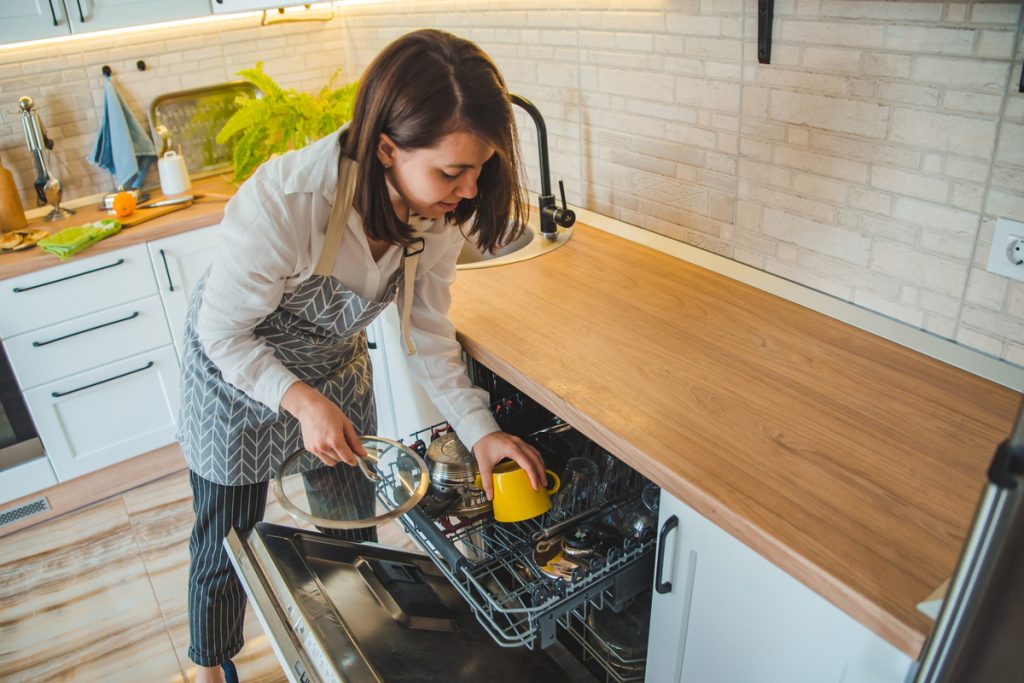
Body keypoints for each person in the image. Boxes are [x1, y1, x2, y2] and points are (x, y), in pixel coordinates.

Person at [177, 29, 547, 683]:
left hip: (334, 373)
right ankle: (211, 668)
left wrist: (482, 432)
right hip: (235, 377)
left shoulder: (437, 212)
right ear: (386, 147)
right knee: (227, 539)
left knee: (349, 535)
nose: (466, 190)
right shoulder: (287, 204)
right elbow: (224, 333)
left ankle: (353, 660)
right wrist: (297, 398)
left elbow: (426, 332)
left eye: (479, 169)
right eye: (450, 170)